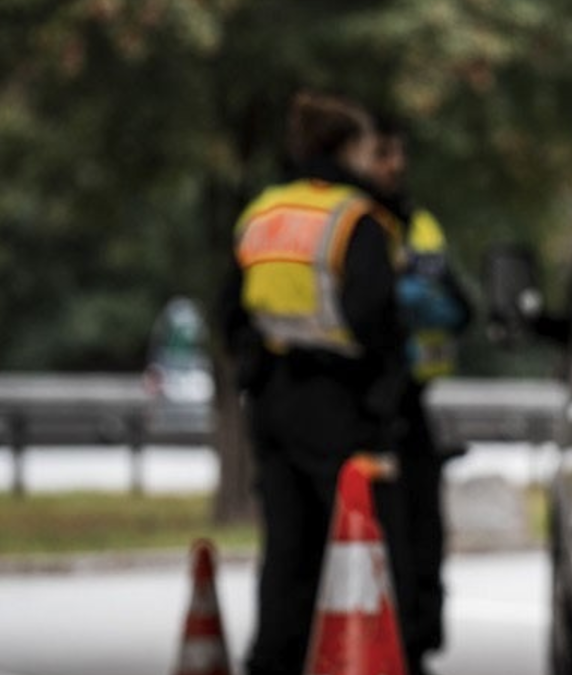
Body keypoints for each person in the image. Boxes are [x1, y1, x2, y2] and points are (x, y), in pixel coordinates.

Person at [220, 90, 412, 675]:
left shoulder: (262, 213)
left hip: (271, 395)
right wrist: (386, 400)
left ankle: (272, 660)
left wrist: (255, 365)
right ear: (348, 147)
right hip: (339, 397)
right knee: (363, 537)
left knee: (286, 547)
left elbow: (230, 310)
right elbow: (376, 315)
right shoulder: (356, 218)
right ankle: (359, 660)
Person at [359, 113, 472, 670]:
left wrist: (430, 305)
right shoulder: (353, 221)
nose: (395, 166)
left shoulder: (419, 225)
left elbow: (461, 308)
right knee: (382, 531)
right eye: (383, 154)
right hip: (359, 401)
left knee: (422, 531)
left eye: (399, 153)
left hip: (411, 402)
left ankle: (419, 639)